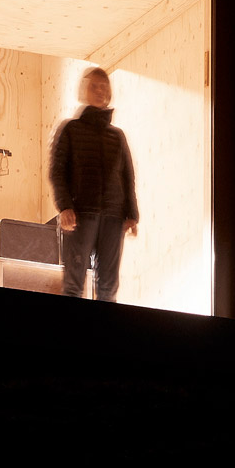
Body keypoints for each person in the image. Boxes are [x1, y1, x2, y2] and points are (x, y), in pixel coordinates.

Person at [48, 68, 139, 303]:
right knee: (73, 286)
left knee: (108, 288)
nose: (100, 91)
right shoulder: (70, 130)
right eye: (94, 86)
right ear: (83, 91)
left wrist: (132, 214)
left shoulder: (117, 136)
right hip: (80, 215)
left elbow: (128, 177)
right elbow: (57, 172)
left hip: (113, 216)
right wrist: (65, 207)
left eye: (104, 86)